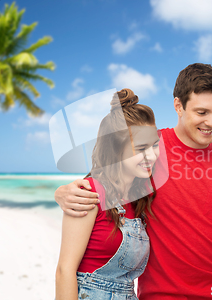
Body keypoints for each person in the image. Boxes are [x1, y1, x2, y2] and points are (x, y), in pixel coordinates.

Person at [55, 63, 212, 299]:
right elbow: (107, 174)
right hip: (161, 294)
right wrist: (63, 192)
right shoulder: (147, 147)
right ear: (178, 106)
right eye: (201, 112)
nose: (211, 122)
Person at [55, 88, 160, 300]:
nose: (151, 156)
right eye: (140, 149)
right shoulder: (89, 194)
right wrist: (59, 192)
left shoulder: (138, 200)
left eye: (155, 145)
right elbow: (64, 272)